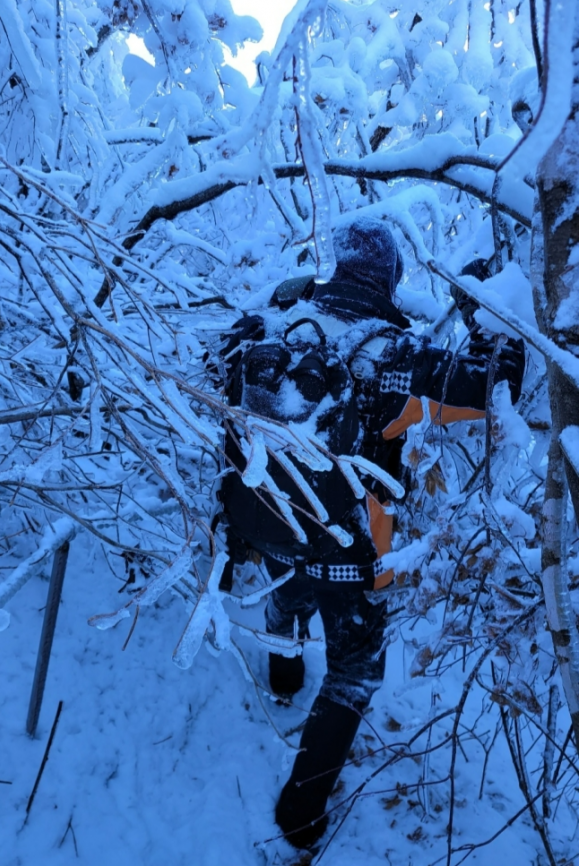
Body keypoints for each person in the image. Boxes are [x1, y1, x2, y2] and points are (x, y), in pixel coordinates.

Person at [216, 217, 525, 849]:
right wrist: (483, 312)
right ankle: (299, 820)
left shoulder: (270, 331)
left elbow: (212, 367)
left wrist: (287, 295)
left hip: (269, 521)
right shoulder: (393, 357)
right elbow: (498, 385)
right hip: (349, 548)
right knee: (355, 669)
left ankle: (281, 675)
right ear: (389, 277)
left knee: (292, 583)